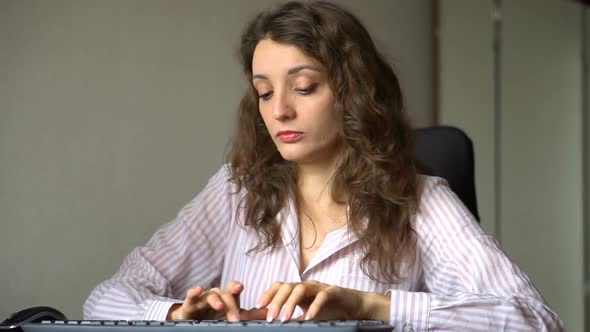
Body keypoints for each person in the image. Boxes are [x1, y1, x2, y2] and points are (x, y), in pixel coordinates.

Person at [84, 1, 564, 330]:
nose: (279, 111)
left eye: (305, 87)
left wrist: (369, 306)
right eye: (265, 92)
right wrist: (176, 316)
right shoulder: (236, 191)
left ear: (353, 92)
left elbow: (533, 320)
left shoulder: (421, 200)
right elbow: (107, 298)